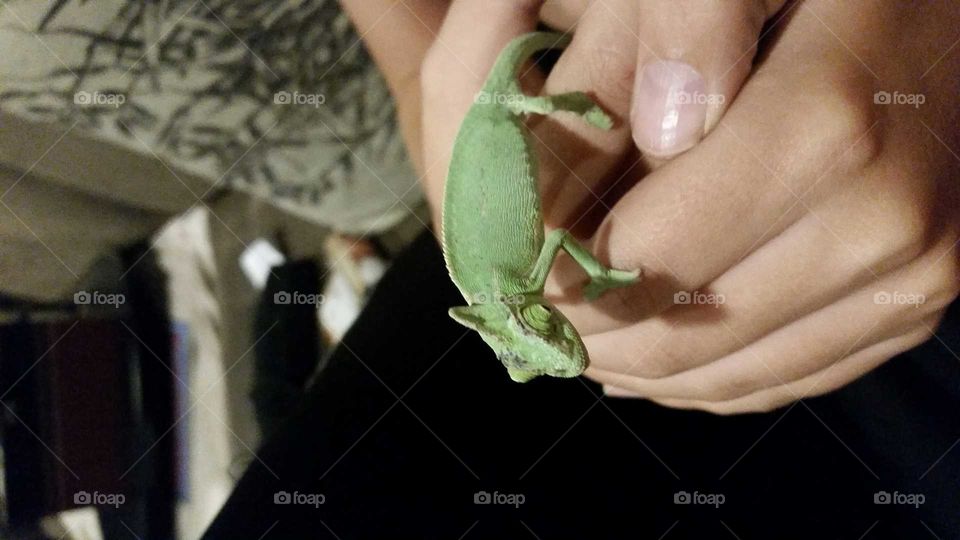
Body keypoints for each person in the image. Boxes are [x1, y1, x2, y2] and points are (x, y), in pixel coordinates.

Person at [200, 1, 960, 538]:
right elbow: (424, 76)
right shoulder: (503, 296)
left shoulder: (511, 288)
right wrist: (433, 108)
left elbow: (549, 237)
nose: (537, 348)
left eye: (524, 344)